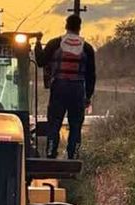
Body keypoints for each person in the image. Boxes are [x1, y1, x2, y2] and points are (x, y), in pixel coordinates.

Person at [35, 14, 96, 159]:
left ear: (66, 26)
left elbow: (41, 61)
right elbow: (91, 75)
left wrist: (38, 43)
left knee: (54, 123)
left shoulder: (55, 43)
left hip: (59, 87)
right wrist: (88, 96)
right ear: (79, 28)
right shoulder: (87, 48)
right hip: (77, 88)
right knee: (75, 125)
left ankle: (50, 153)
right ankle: (73, 156)